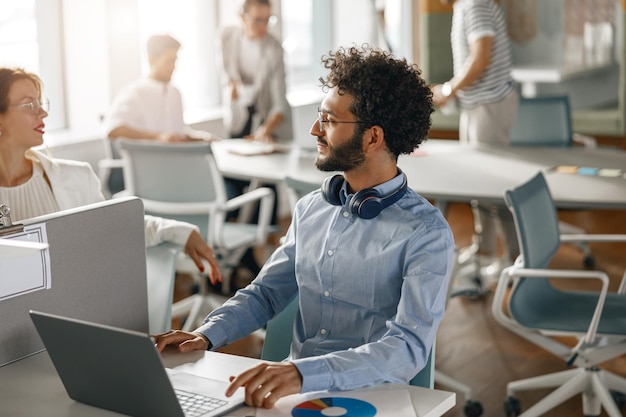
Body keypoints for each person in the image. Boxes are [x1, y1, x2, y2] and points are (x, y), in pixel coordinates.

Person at [154, 45, 455, 409]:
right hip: (295, 394)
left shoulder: (426, 233)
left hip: (374, 398)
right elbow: (265, 294)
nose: (315, 129)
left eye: (329, 120)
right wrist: (203, 335)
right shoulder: (312, 208)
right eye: (319, 116)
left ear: (373, 137)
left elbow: (407, 347)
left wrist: (302, 373)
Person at [0, 67, 222, 282]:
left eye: (41, 103)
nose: (43, 112)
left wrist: (180, 232)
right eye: (29, 104)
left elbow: (115, 224)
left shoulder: (75, 178)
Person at [431, 0, 519, 272]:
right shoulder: (465, 6)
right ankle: (485, 249)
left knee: (492, 183)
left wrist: (447, 91)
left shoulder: (475, 4)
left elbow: (480, 59)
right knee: (477, 181)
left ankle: (515, 259)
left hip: (489, 104)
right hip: (477, 104)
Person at [102, 34, 214, 195]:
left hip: (176, 169)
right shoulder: (134, 92)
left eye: (175, 60)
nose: (173, 66)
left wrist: (197, 136)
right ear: (152, 59)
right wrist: (158, 137)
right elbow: (113, 130)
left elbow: (175, 131)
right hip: (149, 175)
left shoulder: (175, 93)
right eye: (169, 60)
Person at [216, 0, 292, 143]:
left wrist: (264, 131)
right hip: (238, 113)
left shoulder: (274, 48)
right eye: (258, 20)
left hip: (267, 119)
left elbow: (279, 102)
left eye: (268, 20)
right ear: (242, 17)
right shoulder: (226, 36)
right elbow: (226, 72)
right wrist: (232, 85)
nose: (263, 26)